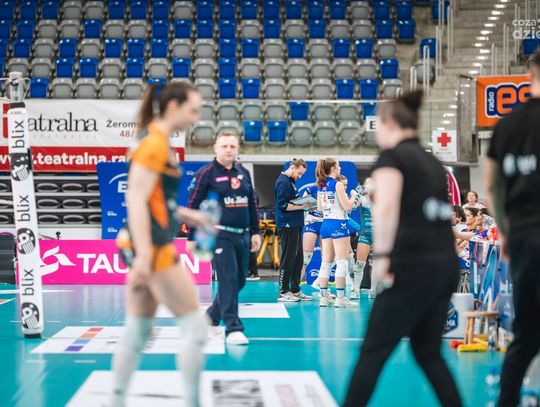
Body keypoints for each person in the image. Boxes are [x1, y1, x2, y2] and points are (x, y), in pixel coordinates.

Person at [344, 90, 462, 407]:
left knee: (372, 351)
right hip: (444, 267)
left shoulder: (392, 158)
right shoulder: (432, 162)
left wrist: (383, 257)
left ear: (390, 123)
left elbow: (386, 208)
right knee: (428, 353)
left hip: (411, 267)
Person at [112, 83, 210, 407]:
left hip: (143, 245)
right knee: (195, 329)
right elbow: (136, 198)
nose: (196, 118)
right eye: (193, 110)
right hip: (153, 248)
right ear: (173, 107)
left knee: (138, 330)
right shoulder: (153, 143)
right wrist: (143, 255)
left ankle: (115, 401)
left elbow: (157, 200)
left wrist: (188, 215)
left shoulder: (156, 140)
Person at [485, 49, 540, 407]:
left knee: (526, 332)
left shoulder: (506, 125)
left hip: (521, 236)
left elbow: (492, 188)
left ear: (529, 74)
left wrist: (505, 232)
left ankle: (507, 400)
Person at [186, 131, 262, 346]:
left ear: (237, 149)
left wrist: (255, 231)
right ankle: (233, 329)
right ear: (215, 148)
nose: (229, 150)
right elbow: (193, 206)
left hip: (242, 235)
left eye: (232, 146)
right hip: (219, 235)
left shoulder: (243, 172)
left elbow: (252, 203)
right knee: (228, 279)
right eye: (224, 146)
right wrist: (191, 236)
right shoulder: (206, 174)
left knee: (239, 281)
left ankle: (210, 318)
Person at [316, 158, 358, 308]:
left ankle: (324, 298)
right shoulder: (337, 184)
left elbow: (319, 207)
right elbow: (347, 206)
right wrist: (353, 196)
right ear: (333, 168)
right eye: (338, 166)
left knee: (326, 262)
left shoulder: (321, 184)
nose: (340, 168)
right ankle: (340, 298)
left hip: (326, 223)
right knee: (341, 261)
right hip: (338, 223)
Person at [274, 159, 313, 302]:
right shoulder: (283, 182)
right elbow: (284, 205)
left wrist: (304, 204)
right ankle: (284, 291)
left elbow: (292, 202)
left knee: (298, 258)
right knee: (288, 258)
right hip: (287, 225)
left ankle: (295, 289)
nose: (300, 176)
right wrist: (303, 206)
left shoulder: (290, 182)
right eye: (299, 173)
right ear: (292, 167)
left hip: (295, 224)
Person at [352, 178, 375, 300]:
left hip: (379, 235)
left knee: (376, 264)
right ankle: (356, 290)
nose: (370, 186)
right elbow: (352, 207)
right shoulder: (362, 197)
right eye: (368, 183)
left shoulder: (382, 196)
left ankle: (373, 290)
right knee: (359, 264)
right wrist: (357, 194)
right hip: (365, 233)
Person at [299, 182, 323, 286]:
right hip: (311, 223)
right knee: (306, 256)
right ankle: (295, 286)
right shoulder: (311, 188)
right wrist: (312, 205)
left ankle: (321, 286)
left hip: (325, 223)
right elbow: (302, 205)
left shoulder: (333, 187)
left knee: (327, 258)